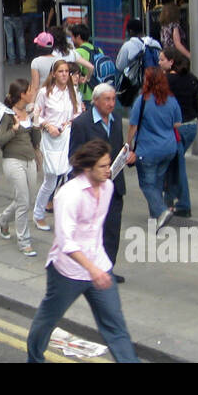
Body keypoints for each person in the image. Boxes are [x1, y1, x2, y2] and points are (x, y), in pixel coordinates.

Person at [25, 138, 139, 363]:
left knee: (116, 327)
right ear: (88, 168)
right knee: (48, 319)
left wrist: (98, 268)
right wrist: (91, 269)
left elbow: (95, 230)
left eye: (109, 165)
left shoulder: (108, 188)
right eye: (103, 166)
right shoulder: (69, 195)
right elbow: (66, 241)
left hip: (99, 266)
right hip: (67, 272)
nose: (109, 170)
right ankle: (34, 358)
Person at [70, 83, 126, 281]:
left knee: (112, 230)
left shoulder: (117, 119)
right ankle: (90, 269)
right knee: (92, 232)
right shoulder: (82, 124)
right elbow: (74, 157)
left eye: (113, 99)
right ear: (95, 101)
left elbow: (118, 147)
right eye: (107, 100)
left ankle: (108, 269)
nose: (112, 104)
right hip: (91, 188)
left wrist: (127, 157)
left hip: (114, 186)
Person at [123, 66, 182, 230]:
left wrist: (128, 144)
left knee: (147, 184)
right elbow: (177, 123)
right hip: (168, 148)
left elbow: (133, 125)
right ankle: (155, 216)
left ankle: (161, 211)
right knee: (157, 181)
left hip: (147, 150)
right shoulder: (172, 100)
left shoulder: (142, 100)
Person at [33, 59, 85, 232]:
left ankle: (66, 215)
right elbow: (36, 115)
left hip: (67, 137)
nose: (64, 74)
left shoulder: (73, 92)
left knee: (68, 176)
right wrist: (48, 125)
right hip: (49, 138)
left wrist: (69, 122)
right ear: (54, 74)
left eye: (66, 71)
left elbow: (78, 112)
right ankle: (38, 214)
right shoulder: (45, 92)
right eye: (61, 71)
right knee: (51, 178)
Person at [0, 78, 42, 255]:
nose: (32, 93)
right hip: (13, 161)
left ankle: (3, 219)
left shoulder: (28, 112)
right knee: (23, 202)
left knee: (27, 200)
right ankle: (24, 241)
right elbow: (0, 140)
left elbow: (36, 141)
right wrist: (14, 129)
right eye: (30, 90)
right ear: (22, 94)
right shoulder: (7, 115)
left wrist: (36, 122)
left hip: (30, 160)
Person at [162, 51, 198, 218]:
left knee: (177, 166)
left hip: (176, 128)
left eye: (162, 59)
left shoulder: (167, 81)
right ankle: (170, 198)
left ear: (171, 62)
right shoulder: (192, 78)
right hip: (191, 125)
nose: (159, 62)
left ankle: (183, 204)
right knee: (174, 163)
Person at [1, 0, 26, 64]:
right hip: (17, 13)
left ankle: (12, 59)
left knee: (9, 38)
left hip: (7, 14)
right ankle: (22, 58)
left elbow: (1, 1)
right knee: (20, 37)